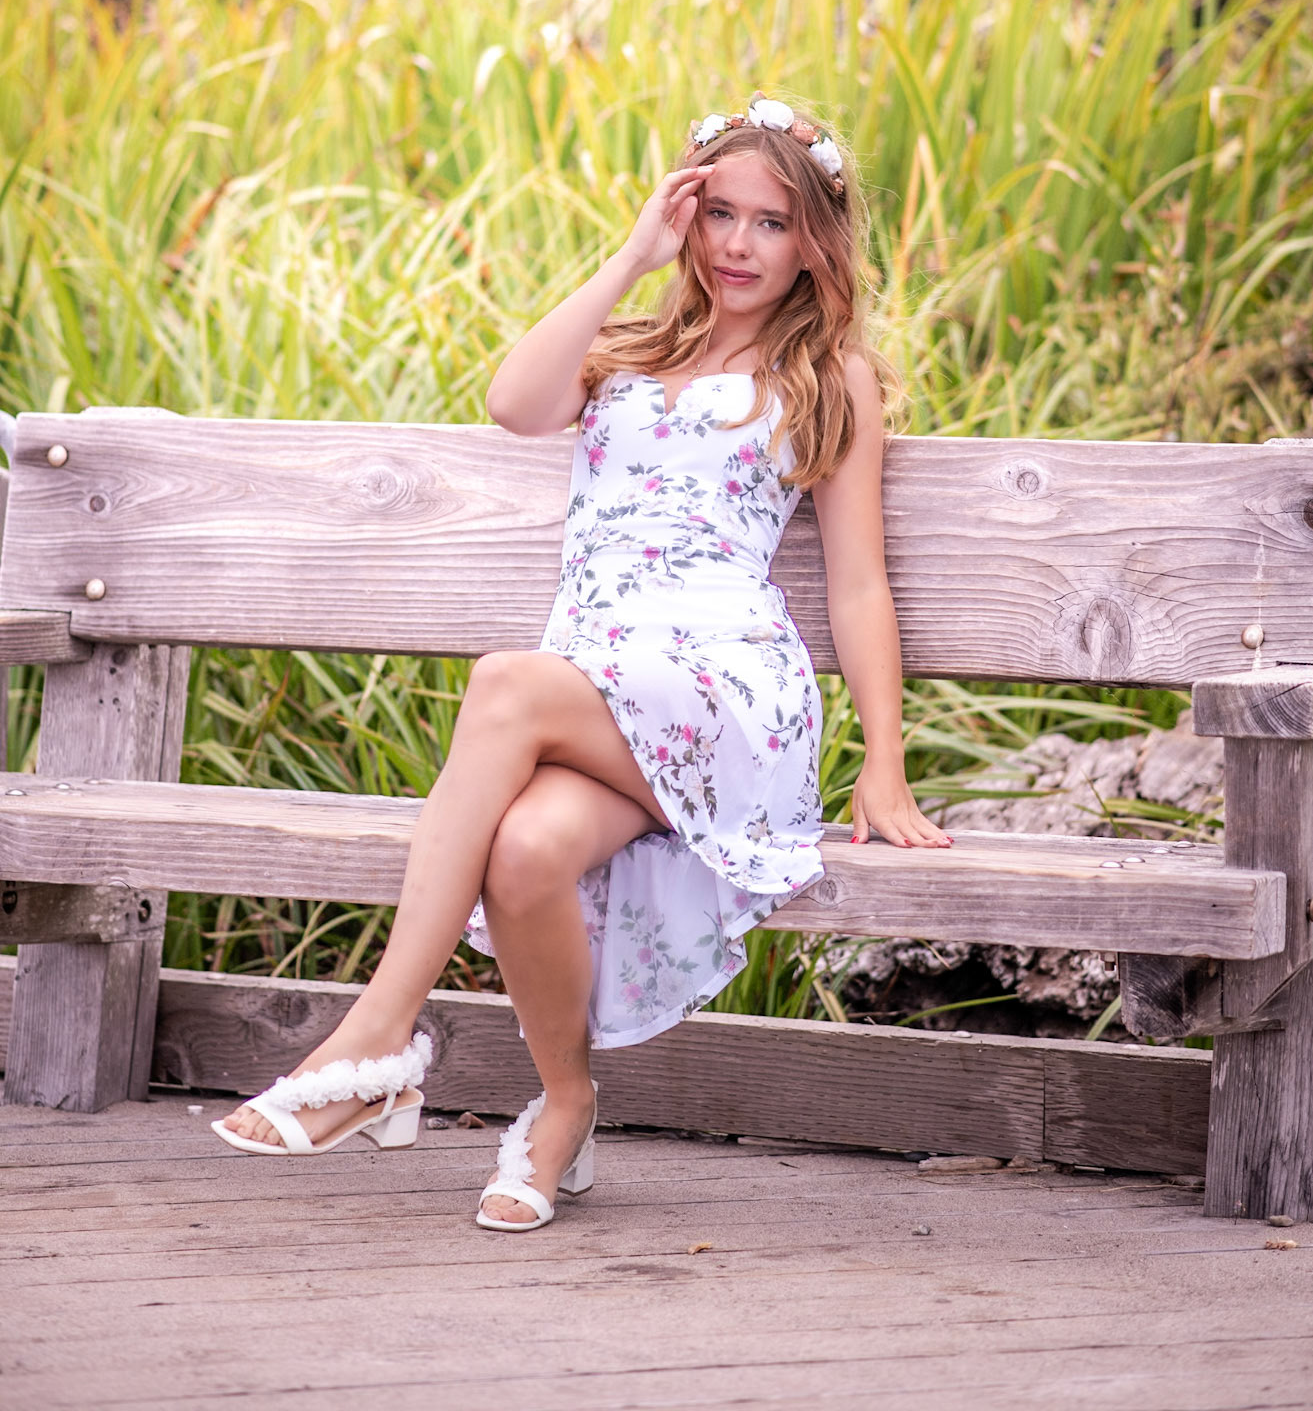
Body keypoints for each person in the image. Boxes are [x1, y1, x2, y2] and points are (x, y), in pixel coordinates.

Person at [211, 93, 951, 1225]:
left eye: (771, 223)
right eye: (719, 213)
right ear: (686, 214)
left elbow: (858, 583)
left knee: (505, 682)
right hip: (600, 684)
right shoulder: (630, 349)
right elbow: (513, 403)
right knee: (524, 850)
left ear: (814, 243)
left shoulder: (825, 372)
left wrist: (883, 763)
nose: (739, 244)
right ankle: (565, 1105)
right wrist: (631, 256)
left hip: (724, 694)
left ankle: (375, 1039)